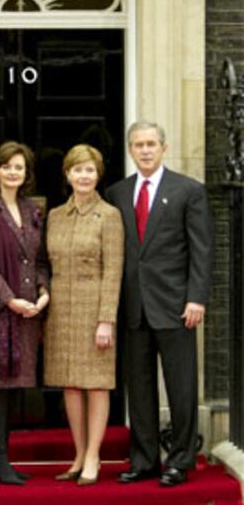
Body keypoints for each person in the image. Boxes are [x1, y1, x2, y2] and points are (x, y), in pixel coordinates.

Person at [105, 121, 213, 488]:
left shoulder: (188, 191)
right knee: (140, 388)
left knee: (181, 387)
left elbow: (201, 249)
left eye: (151, 144)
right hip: (134, 307)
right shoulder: (117, 193)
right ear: (130, 150)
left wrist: (196, 297)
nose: (145, 150)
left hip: (176, 305)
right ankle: (144, 459)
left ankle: (180, 460)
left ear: (164, 148)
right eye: (138, 145)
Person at [0, 141, 49, 486]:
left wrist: (44, 292)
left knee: (15, 387)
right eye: (7, 166)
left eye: (20, 167)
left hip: (29, 312)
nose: (13, 172)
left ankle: (1, 459)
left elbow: (42, 259)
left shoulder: (33, 209)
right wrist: (9, 299)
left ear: (26, 173)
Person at [44, 144, 124, 486]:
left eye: (90, 170)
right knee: (71, 383)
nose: (83, 176)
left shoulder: (109, 215)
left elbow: (114, 270)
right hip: (61, 308)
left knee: (96, 383)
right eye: (78, 169)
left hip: (94, 309)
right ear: (67, 174)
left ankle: (94, 454)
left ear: (98, 175)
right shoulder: (54, 216)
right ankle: (78, 453)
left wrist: (106, 319)